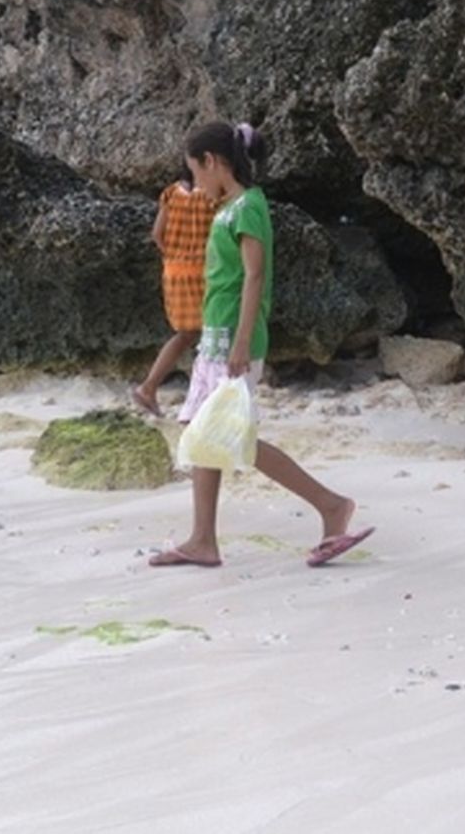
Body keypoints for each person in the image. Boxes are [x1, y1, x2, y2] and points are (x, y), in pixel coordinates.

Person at [150, 122, 374, 569]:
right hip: (216, 337)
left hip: (234, 340)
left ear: (214, 162)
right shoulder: (227, 208)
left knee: (235, 437)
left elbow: (255, 276)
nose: (194, 184)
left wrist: (241, 342)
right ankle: (202, 540)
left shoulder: (249, 207)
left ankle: (331, 506)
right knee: (203, 431)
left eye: (195, 173)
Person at [131, 155, 216, 417]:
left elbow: (157, 234)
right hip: (203, 270)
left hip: (174, 271)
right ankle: (207, 398)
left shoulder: (170, 193)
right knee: (213, 332)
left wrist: (173, 254)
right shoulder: (212, 196)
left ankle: (149, 387)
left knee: (186, 333)